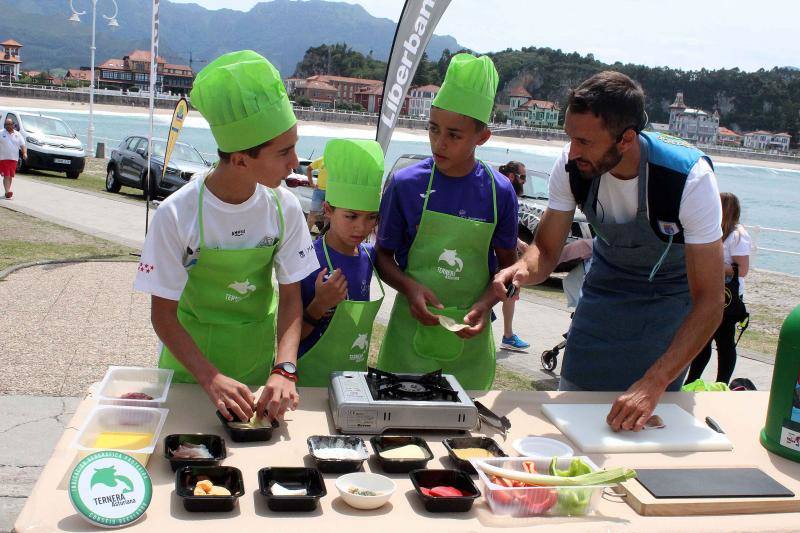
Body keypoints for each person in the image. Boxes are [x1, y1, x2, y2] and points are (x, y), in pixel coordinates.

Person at [494, 71, 724, 431]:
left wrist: (654, 382)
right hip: (601, 302)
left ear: (626, 138)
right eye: (570, 137)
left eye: (584, 141)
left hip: (667, 312)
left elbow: (710, 301)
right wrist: (523, 270)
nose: (572, 152)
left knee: (644, 434)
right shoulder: (572, 167)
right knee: (572, 421)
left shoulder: (689, 179)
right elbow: (546, 248)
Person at [133, 50, 318, 423]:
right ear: (239, 159)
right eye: (284, 151)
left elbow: (291, 296)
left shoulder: (284, 207)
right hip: (189, 373)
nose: (295, 162)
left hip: (254, 370)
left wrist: (284, 368)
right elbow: (163, 315)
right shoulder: (176, 213)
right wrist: (210, 377)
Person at [376, 53, 519, 390]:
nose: (439, 142)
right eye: (433, 128)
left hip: (471, 343)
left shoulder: (500, 193)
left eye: (454, 135)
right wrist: (410, 289)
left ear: (481, 137)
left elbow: (508, 270)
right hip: (409, 341)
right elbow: (383, 257)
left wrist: (485, 305)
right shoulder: (406, 184)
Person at [296, 139, 385, 386]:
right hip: (308, 382)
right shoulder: (307, 259)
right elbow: (290, 338)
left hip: (353, 381)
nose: (361, 227)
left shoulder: (369, 256)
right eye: (351, 216)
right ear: (327, 209)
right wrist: (319, 304)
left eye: (371, 218)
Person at [686, 192, 751, 385]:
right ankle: (693, 380)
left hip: (726, 297)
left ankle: (721, 382)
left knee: (724, 342)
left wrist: (710, 264)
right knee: (702, 339)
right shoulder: (712, 231)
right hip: (706, 290)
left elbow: (742, 270)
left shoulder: (738, 236)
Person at [497, 160, 531, 352]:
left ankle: (508, 335)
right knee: (509, 290)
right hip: (499, 253)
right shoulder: (504, 192)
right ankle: (508, 336)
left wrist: (518, 242)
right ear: (512, 176)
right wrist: (518, 243)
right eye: (523, 177)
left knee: (510, 293)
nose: (524, 181)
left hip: (503, 251)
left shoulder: (503, 191)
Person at [1, 118, 26, 199]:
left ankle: (7, 192)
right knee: (6, 175)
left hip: (14, 159)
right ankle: (7, 191)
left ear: (13, 125)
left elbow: (23, 145)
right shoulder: (1, 133)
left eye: (9, 124)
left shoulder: (18, 134)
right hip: (3, 158)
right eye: (6, 124)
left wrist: (24, 153)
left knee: (10, 176)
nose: (7, 126)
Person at [306, 156, 328, 232]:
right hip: (319, 191)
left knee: (329, 216)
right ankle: (306, 234)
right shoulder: (322, 159)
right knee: (312, 214)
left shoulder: (339, 160)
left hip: (332, 192)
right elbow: (309, 169)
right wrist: (311, 183)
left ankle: (324, 237)